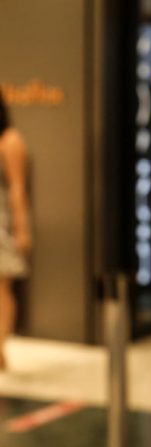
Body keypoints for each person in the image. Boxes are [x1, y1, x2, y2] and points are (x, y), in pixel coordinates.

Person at [0, 92, 31, 371]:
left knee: (2, 286)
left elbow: (17, 188)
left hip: (1, 223)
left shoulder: (11, 141)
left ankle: (0, 346)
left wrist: (22, 229)